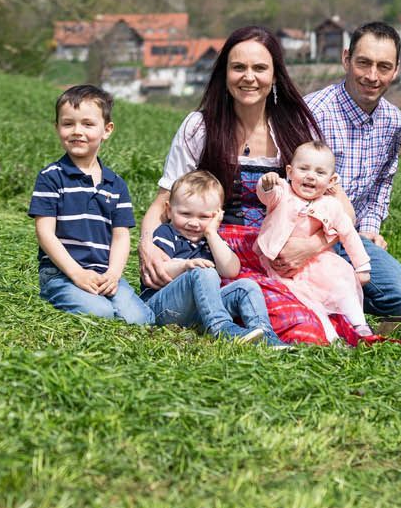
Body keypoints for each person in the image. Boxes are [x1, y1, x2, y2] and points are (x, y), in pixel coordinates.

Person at [139, 25, 359, 345]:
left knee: (330, 317)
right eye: (238, 67)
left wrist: (310, 247)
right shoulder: (199, 127)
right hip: (224, 251)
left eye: (259, 68)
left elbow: (340, 210)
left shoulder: (298, 127)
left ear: (275, 75)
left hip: (285, 251)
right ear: (224, 73)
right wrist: (147, 244)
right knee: (295, 324)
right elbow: (163, 202)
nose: (249, 77)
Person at [305, 21, 401, 320]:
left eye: (384, 67)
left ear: (396, 70)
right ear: (346, 59)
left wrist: (370, 229)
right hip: (307, 237)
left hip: (353, 239)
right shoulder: (314, 112)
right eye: (363, 63)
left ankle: (336, 300)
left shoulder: (393, 121)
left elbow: (382, 183)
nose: (372, 76)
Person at [31, 85, 153, 325]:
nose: (77, 131)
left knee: (140, 319)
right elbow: (44, 233)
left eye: (87, 124)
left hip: (103, 272)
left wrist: (114, 275)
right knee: (101, 313)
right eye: (68, 124)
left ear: (106, 130)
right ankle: (54, 295)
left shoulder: (116, 183)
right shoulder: (51, 176)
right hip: (61, 273)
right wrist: (76, 273)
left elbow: (121, 237)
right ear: (57, 128)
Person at [141, 170, 277, 344]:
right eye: (185, 214)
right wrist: (186, 266)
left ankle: (265, 335)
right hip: (162, 306)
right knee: (204, 271)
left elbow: (231, 270)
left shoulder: (211, 239)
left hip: (200, 311)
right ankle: (221, 328)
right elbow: (159, 269)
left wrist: (212, 233)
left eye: (204, 217)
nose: (194, 222)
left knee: (247, 286)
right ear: (168, 210)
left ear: (217, 215)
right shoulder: (166, 233)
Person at [255, 141, 373, 342]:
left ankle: (360, 325)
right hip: (280, 262)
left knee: (342, 283)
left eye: (320, 173)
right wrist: (266, 184)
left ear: (331, 180)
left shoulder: (332, 205)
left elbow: (348, 234)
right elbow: (268, 196)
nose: (310, 176)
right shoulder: (282, 192)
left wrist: (362, 266)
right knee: (306, 301)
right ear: (290, 172)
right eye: (303, 169)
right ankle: (330, 337)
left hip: (318, 262)